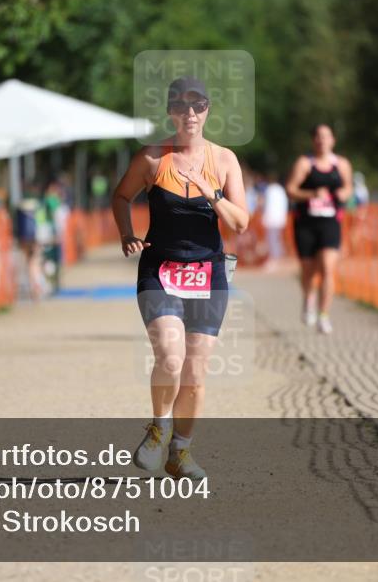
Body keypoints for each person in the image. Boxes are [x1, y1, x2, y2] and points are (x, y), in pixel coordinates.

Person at [112, 76, 249, 480]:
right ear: (170, 111)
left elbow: (240, 223)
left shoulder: (224, 160)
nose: (190, 113)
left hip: (209, 273)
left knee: (196, 370)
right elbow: (121, 196)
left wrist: (212, 193)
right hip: (160, 269)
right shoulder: (153, 159)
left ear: (208, 110)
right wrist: (126, 234)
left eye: (198, 105)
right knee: (170, 358)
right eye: (181, 105)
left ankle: (181, 453)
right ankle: (159, 428)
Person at [285, 124, 353, 334]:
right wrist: (312, 194)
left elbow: (349, 187)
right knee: (308, 270)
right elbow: (290, 189)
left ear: (333, 140)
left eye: (326, 136)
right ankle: (308, 299)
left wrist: (344, 194)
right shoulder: (305, 163)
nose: (322, 140)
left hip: (330, 222)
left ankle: (324, 315)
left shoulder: (341, 164)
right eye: (318, 137)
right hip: (306, 223)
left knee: (327, 267)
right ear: (313, 141)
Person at [260, 170, 289, 268]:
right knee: (276, 239)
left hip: (271, 219)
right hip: (279, 218)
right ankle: (277, 257)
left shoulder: (269, 190)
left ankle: (274, 259)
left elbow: (266, 205)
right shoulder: (281, 190)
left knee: (272, 239)